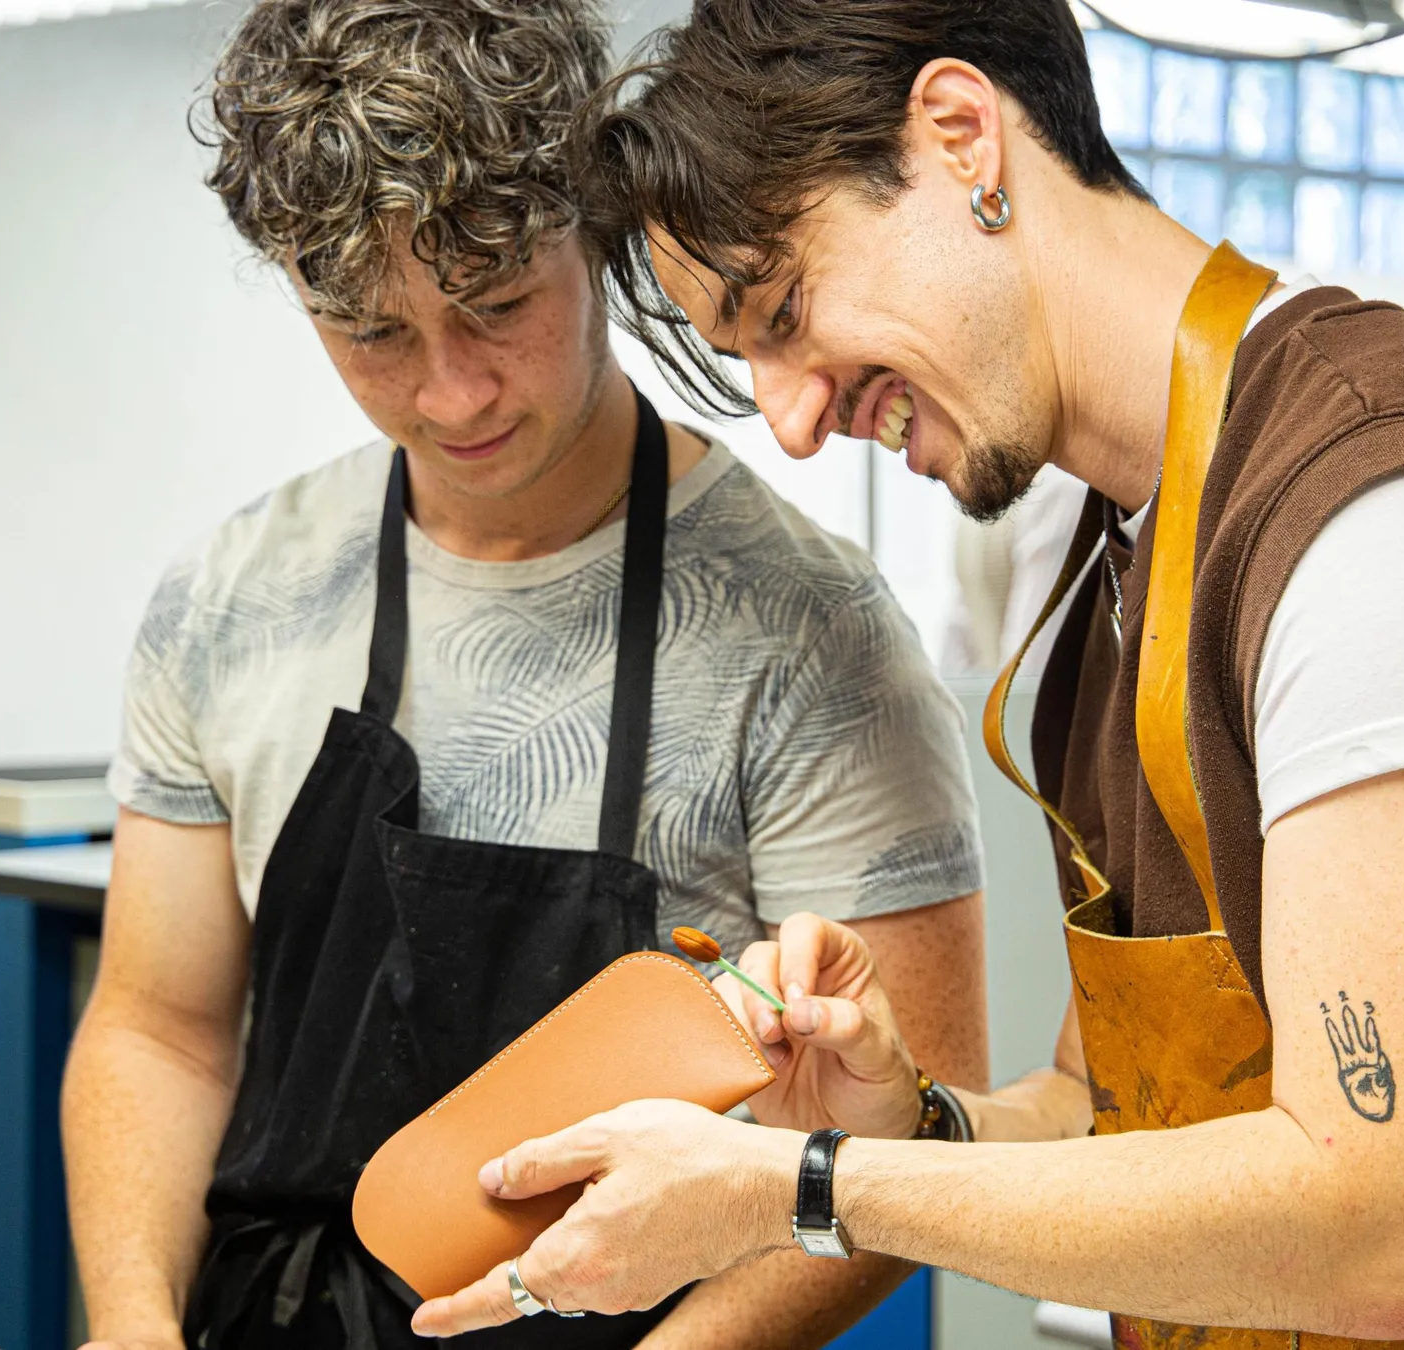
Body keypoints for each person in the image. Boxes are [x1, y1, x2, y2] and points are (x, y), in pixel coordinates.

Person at [410, 3, 1404, 1347]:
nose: (790, 421)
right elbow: (1111, 1105)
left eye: (783, 310)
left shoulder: (1389, 517)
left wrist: (807, 1187)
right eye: (748, 364)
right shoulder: (1107, 563)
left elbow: (1391, 1229)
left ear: (963, 133)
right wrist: (911, 1122)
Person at [58, 2, 989, 1348]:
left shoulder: (813, 635)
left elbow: (913, 1141)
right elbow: (161, 1027)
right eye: (371, 333)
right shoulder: (231, 598)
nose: (451, 393)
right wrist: (132, 1323)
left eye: (496, 306)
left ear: (597, 236)